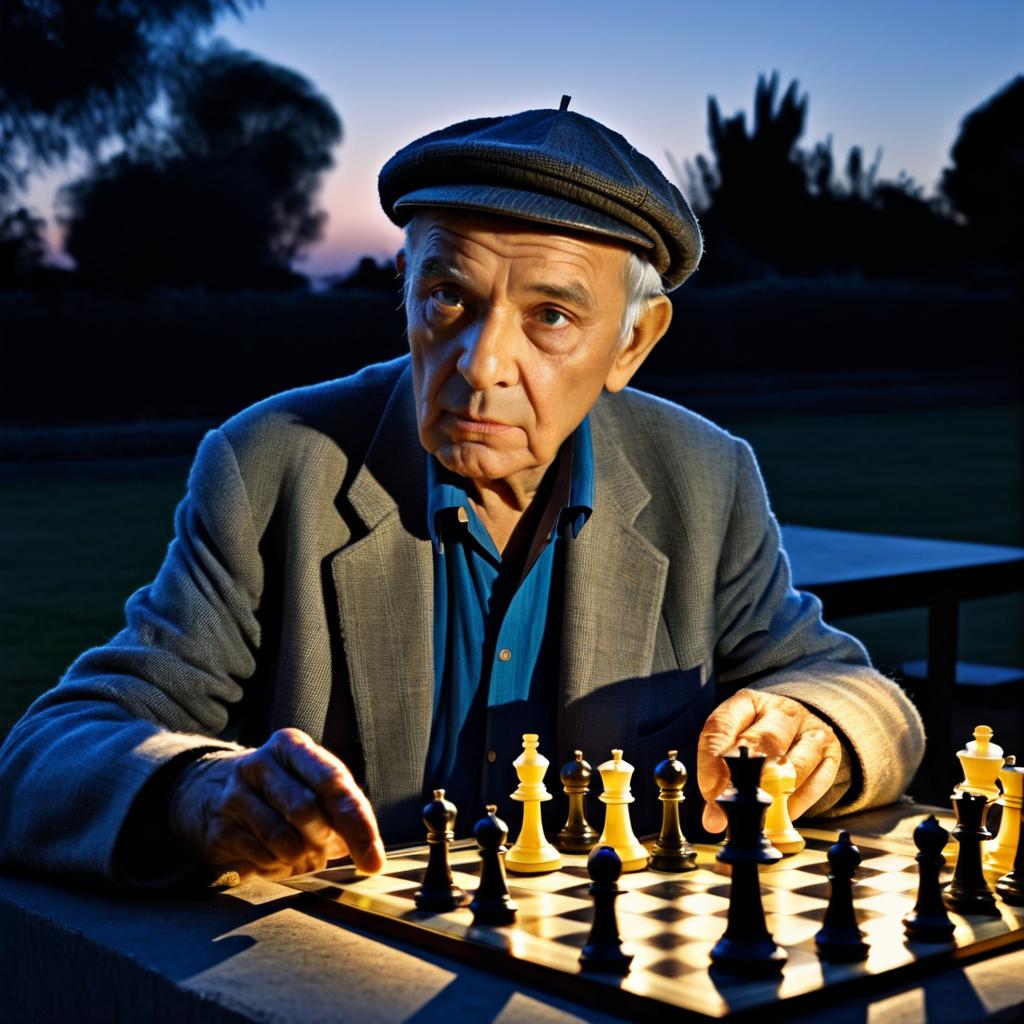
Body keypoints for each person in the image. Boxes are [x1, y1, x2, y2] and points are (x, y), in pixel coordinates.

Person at [0, 103, 924, 887]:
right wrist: (195, 792)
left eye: (551, 317)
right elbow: (47, 753)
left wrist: (818, 733)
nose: (480, 366)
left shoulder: (705, 475)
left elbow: (857, 692)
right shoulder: (273, 465)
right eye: (448, 296)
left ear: (634, 344)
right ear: (403, 289)